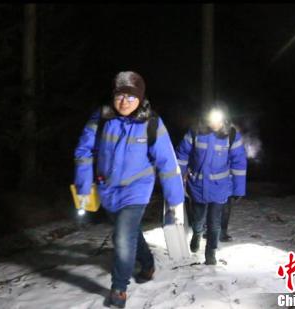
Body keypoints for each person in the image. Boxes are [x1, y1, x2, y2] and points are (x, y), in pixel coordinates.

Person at [74, 71, 185, 308]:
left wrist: (175, 200)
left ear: (141, 98)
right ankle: (148, 263)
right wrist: (84, 187)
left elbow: (168, 163)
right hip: (108, 190)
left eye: (131, 97)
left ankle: (119, 289)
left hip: (137, 190)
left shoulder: (152, 122)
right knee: (130, 233)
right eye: (120, 96)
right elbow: (84, 151)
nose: (124, 102)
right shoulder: (101, 118)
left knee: (122, 237)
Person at [175, 103, 247, 265]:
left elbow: (239, 163)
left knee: (215, 223)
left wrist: (238, 189)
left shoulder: (232, 135)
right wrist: (178, 181)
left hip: (220, 188)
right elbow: (182, 155)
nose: (215, 123)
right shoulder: (195, 131)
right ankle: (197, 234)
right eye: (211, 119)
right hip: (197, 186)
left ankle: (210, 253)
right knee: (198, 219)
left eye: (219, 119)